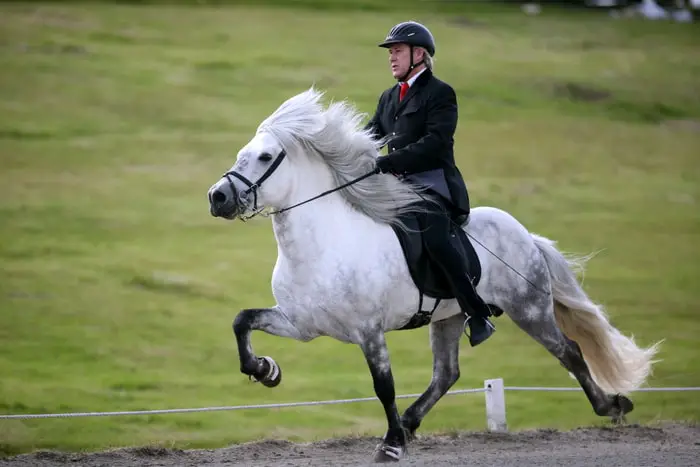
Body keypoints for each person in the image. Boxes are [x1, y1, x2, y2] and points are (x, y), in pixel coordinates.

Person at [365, 20, 495, 347]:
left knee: (435, 240)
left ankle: (477, 313)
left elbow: (436, 142)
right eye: (390, 52)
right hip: (398, 187)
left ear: (418, 54)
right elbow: (370, 136)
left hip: (434, 185)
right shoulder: (388, 97)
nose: (392, 58)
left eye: (397, 51)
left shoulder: (440, 93)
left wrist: (389, 162)